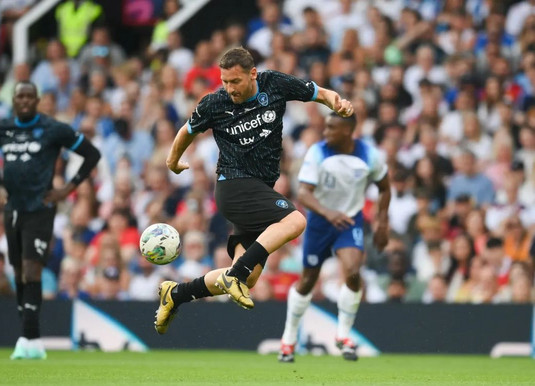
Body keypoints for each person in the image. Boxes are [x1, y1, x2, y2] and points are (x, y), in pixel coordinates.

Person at [154, 47, 353, 334]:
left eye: (235, 81)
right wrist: (172, 161)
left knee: (249, 280)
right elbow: (187, 130)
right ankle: (237, 273)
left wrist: (337, 103)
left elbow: (320, 93)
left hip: (259, 190)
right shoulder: (214, 103)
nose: (229, 88)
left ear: (253, 74)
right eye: (224, 81)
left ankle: (176, 294)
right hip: (233, 185)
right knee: (296, 220)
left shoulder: (275, 84)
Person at [0, 81, 100, 360]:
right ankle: (32, 339)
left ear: (37, 100)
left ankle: (26, 337)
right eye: (19, 96)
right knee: (20, 271)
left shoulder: (53, 128)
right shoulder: (2, 128)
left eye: (28, 96)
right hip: (12, 209)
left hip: (41, 208)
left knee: (33, 270)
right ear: (13, 100)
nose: (23, 100)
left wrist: (67, 189)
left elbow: (91, 154)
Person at [278, 113, 391, 362]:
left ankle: (343, 335)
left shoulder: (368, 155)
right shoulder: (317, 152)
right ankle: (288, 338)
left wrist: (382, 222)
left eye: (332, 128)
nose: (326, 132)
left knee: (352, 271)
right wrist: (328, 213)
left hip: (349, 221)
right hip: (320, 222)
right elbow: (304, 193)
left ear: (348, 131)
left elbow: (385, 187)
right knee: (308, 280)